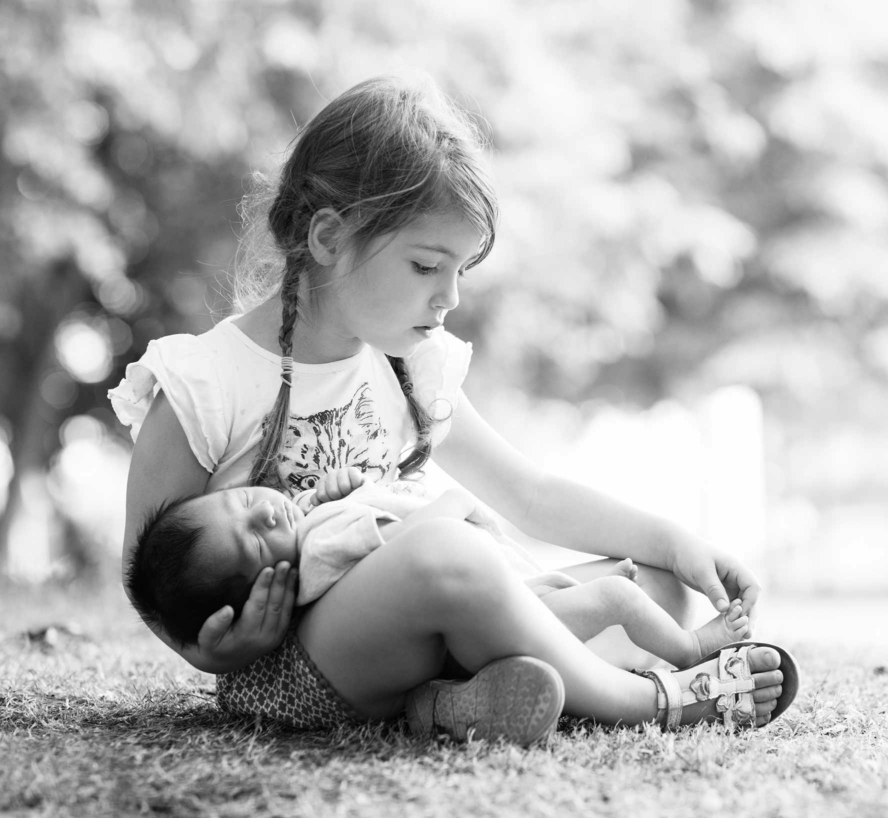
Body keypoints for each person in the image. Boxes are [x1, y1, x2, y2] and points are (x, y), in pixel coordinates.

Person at [109, 74, 799, 745]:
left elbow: (531, 494)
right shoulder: (204, 382)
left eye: (458, 271)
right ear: (327, 239)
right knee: (444, 553)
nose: (450, 299)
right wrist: (221, 653)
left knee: (657, 587)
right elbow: (155, 581)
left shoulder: (411, 364)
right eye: (424, 267)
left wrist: (679, 545)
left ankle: (446, 705)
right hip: (306, 668)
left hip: (439, 617)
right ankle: (650, 698)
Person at [128, 467, 753, 671]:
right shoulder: (317, 550)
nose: (265, 518)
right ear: (270, 584)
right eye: (258, 550)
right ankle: (694, 653)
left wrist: (343, 494)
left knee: (649, 583)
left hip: (501, 599)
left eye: (242, 503)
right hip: (501, 600)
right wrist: (453, 503)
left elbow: (364, 532)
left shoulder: (312, 534)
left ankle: (492, 695)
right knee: (619, 596)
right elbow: (418, 538)